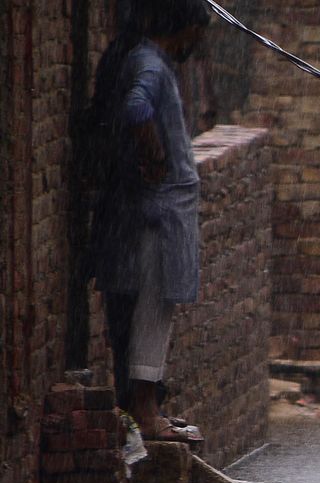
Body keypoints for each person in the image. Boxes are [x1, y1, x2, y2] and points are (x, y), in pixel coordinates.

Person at [87, 0, 211, 443]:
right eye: (199, 33)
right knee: (153, 310)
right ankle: (145, 411)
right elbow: (137, 107)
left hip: (157, 211)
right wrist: (152, 149)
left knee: (152, 308)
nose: (200, 43)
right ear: (186, 28)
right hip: (160, 214)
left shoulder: (147, 60)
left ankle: (145, 406)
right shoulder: (152, 68)